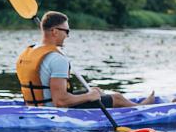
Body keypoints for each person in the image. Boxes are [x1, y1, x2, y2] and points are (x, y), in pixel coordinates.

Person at [16, 11, 155, 108]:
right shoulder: (57, 59)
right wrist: (89, 97)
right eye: (67, 31)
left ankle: (130, 104)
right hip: (53, 110)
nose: (68, 36)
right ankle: (140, 109)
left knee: (97, 92)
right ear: (55, 31)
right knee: (116, 97)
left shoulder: (29, 51)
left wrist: (90, 93)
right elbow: (60, 102)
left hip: (34, 106)